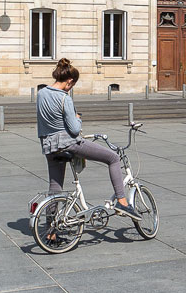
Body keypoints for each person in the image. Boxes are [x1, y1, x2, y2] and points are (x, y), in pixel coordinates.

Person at [37, 58, 141, 219]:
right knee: (113, 158)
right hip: (68, 143)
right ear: (70, 81)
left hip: (48, 145)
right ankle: (122, 202)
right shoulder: (65, 98)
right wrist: (77, 117)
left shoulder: (41, 93)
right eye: (72, 86)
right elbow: (74, 129)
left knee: (55, 186)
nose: (71, 89)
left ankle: (51, 231)